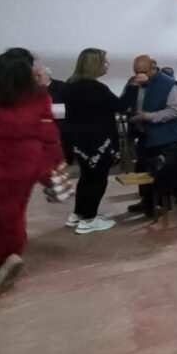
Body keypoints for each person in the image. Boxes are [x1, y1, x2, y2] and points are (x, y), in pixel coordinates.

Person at [0, 49, 64, 294]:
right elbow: (49, 134)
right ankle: (11, 253)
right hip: (26, 161)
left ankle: (1, 256)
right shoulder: (40, 96)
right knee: (13, 211)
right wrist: (53, 164)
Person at [61, 48, 121, 234]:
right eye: (105, 62)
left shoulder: (70, 86)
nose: (107, 65)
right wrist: (133, 87)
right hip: (98, 142)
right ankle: (89, 220)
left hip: (79, 142)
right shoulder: (97, 88)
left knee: (86, 178)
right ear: (95, 65)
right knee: (98, 180)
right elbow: (120, 106)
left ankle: (78, 214)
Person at [121, 55, 177, 218]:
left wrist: (147, 116)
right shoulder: (133, 82)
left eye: (143, 71)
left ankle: (163, 203)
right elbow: (124, 102)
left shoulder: (170, 84)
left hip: (164, 136)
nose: (139, 75)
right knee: (142, 169)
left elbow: (175, 110)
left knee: (162, 172)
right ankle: (146, 201)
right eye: (136, 71)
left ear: (153, 67)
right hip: (143, 135)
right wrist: (131, 90)